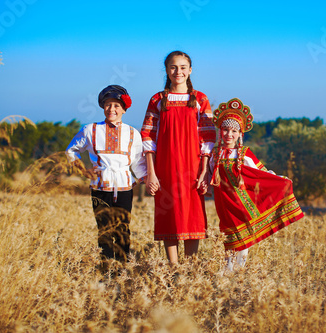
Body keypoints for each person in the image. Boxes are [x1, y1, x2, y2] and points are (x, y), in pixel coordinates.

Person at [209, 98, 305, 271]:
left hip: (241, 202)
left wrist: (280, 180)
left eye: (233, 131)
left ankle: (238, 270)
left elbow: (260, 173)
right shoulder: (214, 154)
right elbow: (209, 175)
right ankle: (227, 270)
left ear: (239, 134)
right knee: (228, 237)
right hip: (224, 203)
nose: (229, 134)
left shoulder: (243, 153)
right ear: (220, 131)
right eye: (225, 129)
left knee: (243, 238)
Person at [141, 51, 216, 264]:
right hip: (164, 166)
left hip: (193, 167)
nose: (178, 71)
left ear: (190, 70)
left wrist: (204, 171)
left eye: (183, 67)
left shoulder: (200, 99)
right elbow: (148, 136)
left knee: (193, 214)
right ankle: (173, 269)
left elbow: (208, 136)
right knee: (170, 214)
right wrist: (151, 174)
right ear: (166, 70)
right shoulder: (157, 99)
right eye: (174, 67)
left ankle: (191, 268)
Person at [66, 85, 147, 265]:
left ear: (124, 109)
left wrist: (144, 178)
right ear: (103, 106)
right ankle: (106, 267)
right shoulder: (90, 130)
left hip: (124, 187)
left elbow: (137, 161)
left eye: (116, 105)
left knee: (123, 228)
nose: (112, 109)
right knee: (104, 228)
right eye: (108, 105)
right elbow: (71, 151)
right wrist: (83, 170)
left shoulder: (133, 133)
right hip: (100, 186)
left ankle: (123, 266)